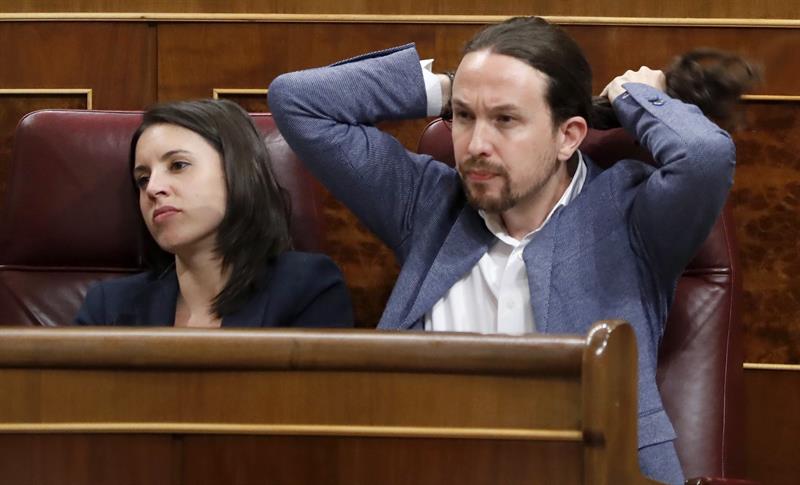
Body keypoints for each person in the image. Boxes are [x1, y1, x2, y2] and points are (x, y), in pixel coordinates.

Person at [268, 17, 746, 483]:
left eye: (505, 119)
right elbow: (297, 101)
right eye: (464, 117)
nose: (476, 144)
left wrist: (634, 97)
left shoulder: (630, 217)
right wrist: (453, 87)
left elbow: (703, 156)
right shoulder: (425, 205)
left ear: (568, 136)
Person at [75, 99, 353, 328]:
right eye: (142, 179)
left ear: (237, 171)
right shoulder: (107, 306)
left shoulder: (307, 287)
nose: (153, 188)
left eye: (178, 165)